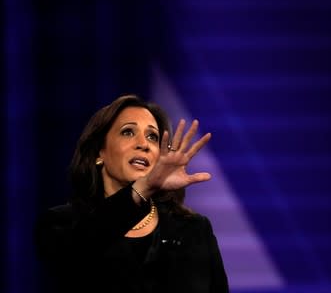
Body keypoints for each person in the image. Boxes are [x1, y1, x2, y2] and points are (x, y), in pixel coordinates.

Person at [34, 94, 229, 293]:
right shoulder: (62, 223)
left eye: (152, 137)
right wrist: (142, 188)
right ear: (99, 153)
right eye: (128, 132)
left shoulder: (194, 229)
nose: (143, 144)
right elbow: (76, 256)